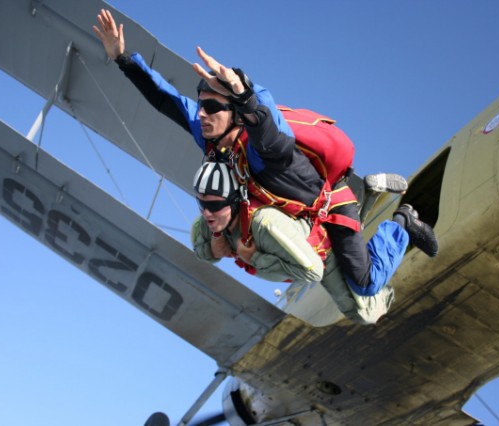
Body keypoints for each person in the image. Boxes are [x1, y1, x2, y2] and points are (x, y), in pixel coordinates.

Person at [93, 10, 437, 298]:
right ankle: (373, 194)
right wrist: (123, 59)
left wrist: (244, 94)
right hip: (292, 213)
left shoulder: (263, 147)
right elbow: (165, 99)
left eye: (212, 107)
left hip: (331, 203)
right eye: (201, 105)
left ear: (236, 114)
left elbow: (269, 132)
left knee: (365, 283)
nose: (201, 114)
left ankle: (403, 222)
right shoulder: (211, 134)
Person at [191, 161, 430, 324]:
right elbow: (199, 248)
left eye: (213, 205)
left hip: (323, 251)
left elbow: (313, 271)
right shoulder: (210, 223)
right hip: (322, 221)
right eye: (202, 205)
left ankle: (403, 221)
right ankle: (369, 192)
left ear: (235, 200)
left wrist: (255, 258)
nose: (207, 213)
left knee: (365, 303)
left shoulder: (266, 224)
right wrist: (214, 246)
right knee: (352, 242)